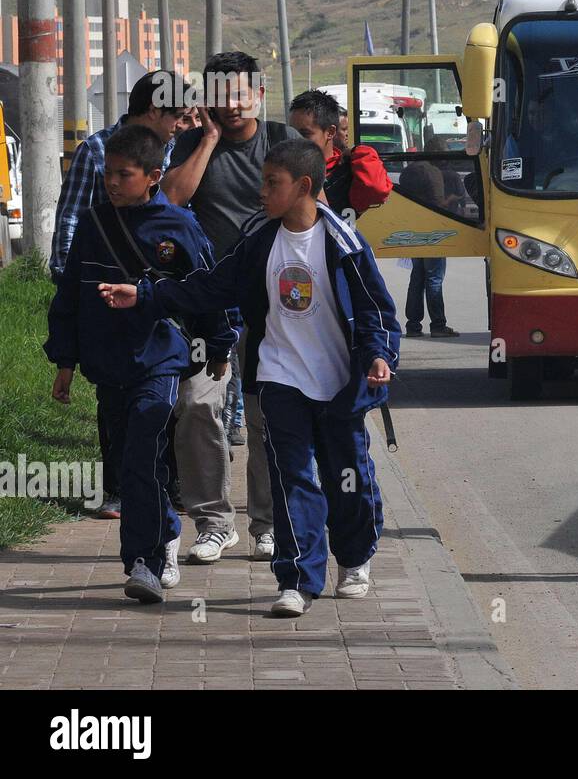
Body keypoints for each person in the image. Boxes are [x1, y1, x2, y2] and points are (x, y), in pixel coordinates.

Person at [100, 139, 401, 617]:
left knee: (347, 479)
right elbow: (211, 286)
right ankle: (297, 581)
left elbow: (375, 310)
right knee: (292, 478)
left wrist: (380, 356)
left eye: (271, 183)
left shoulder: (343, 242)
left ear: (303, 186)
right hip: (281, 379)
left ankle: (356, 556)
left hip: (341, 385)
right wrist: (146, 295)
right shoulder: (260, 240)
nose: (261, 192)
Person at [46, 125, 238, 604]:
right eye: (108, 173)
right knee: (131, 463)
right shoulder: (93, 225)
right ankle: (165, 532)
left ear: (153, 176)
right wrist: (64, 361)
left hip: (160, 363)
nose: (112, 182)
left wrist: (219, 344)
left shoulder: (179, 227)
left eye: (123, 174)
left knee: (141, 459)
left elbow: (207, 291)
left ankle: (145, 562)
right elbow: (69, 296)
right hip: (107, 367)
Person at [162, 51, 289, 565]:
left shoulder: (283, 142)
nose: (233, 105)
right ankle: (214, 523)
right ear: (207, 100)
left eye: (242, 94)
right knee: (195, 406)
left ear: (259, 93)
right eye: (222, 95)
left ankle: (266, 524)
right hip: (208, 303)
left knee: (264, 416)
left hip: (272, 303)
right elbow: (170, 200)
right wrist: (209, 141)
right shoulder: (194, 143)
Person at [50, 70, 193, 519]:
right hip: (103, 292)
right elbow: (72, 216)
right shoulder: (96, 150)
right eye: (178, 116)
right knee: (113, 394)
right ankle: (117, 489)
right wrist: (68, 279)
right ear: (154, 110)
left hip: (158, 299)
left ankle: (162, 487)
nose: (181, 125)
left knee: (160, 396)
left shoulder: (173, 154)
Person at [288, 89, 393, 217]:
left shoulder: (347, 171)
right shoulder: (282, 169)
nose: (296, 140)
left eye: (305, 134)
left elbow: (376, 189)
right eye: (291, 132)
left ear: (330, 132)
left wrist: (359, 152)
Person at [398, 132, 463, 338]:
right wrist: (454, 197)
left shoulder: (409, 171)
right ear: (438, 154)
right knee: (434, 279)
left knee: (416, 278)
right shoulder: (433, 172)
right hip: (434, 232)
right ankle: (438, 325)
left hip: (413, 231)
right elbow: (438, 204)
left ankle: (413, 326)